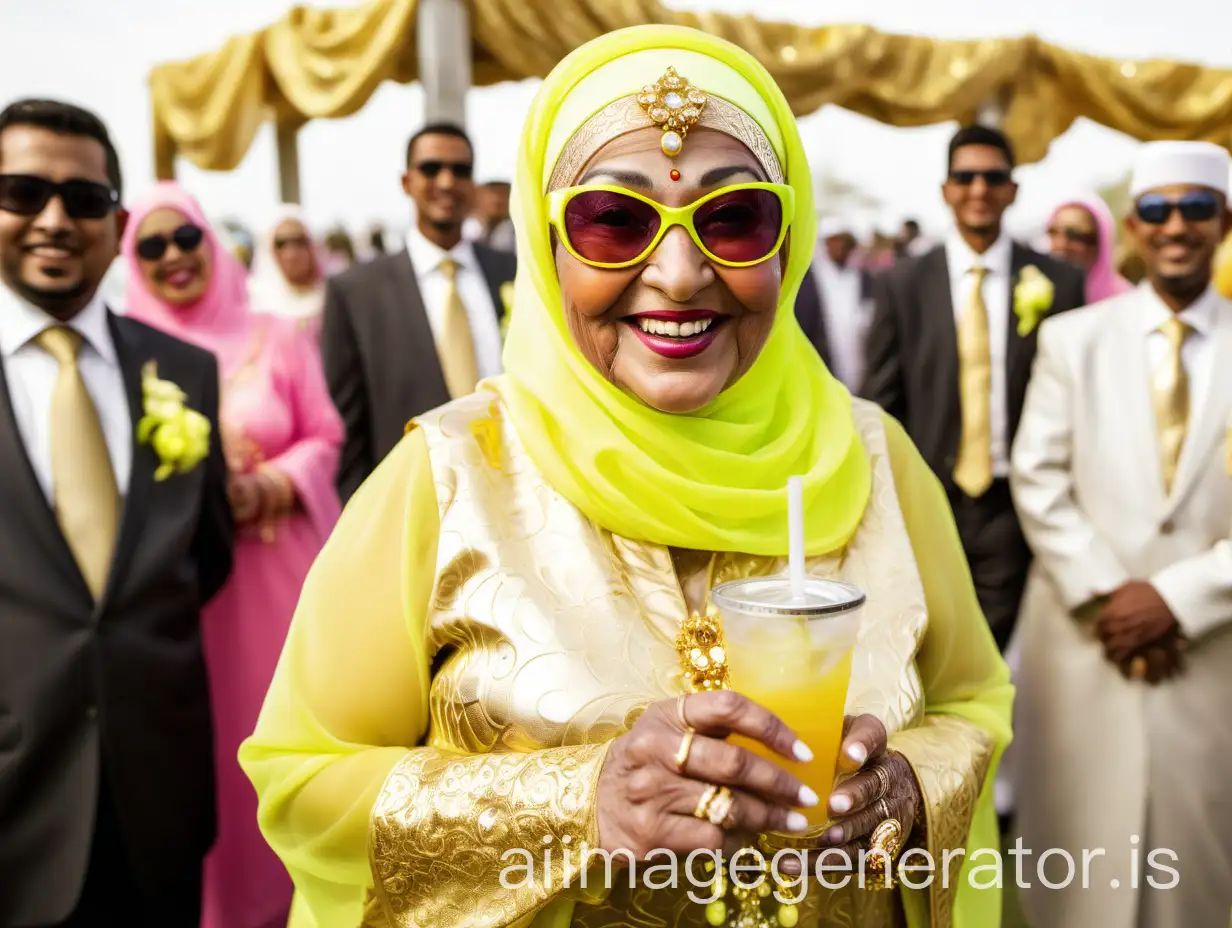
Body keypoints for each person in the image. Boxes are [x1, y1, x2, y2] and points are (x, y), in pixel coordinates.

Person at [241, 27, 1012, 928]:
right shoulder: (449, 477)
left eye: (734, 219)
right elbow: (303, 774)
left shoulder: (874, 459)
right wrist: (578, 801)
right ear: (545, 240)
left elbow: (972, 701)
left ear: (787, 240)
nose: (680, 275)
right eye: (614, 220)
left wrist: (910, 789)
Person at [0, 100, 232, 926]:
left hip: (157, 799)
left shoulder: (186, 373)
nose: (55, 220)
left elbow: (205, 558)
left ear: (119, 220)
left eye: (84, 199)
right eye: (22, 193)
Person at [1011, 141, 1232, 928]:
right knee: (1077, 859)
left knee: (1200, 872)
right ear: (1135, 227)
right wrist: (1114, 597)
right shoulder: (1075, 339)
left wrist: (1175, 598)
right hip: (1086, 640)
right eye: (1160, 210)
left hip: (1210, 651)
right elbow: (1037, 478)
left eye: (1197, 208)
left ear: (1224, 221)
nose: (1177, 226)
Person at [120, 182, 343, 928]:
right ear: (132, 260)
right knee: (212, 756)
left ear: (211, 243)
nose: (173, 257)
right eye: (151, 246)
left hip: (279, 576)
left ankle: (311, 899)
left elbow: (325, 433)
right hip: (193, 597)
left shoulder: (272, 335)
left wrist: (277, 481)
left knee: (294, 732)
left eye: (185, 238)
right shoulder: (126, 354)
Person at [861, 124, 1086, 651]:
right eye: (965, 177)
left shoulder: (1058, 281)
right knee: (931, 647)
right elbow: (881, 402)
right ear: (946, 190)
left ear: (1013, 189)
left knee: (993, 652)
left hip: (1018, 504)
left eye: (993, 177)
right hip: (930, 499)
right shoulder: (905, 283)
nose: (979, 189)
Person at [322, 123, 516, 501]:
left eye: (460, 171)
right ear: (406, 181)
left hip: (515, 492)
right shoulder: (356, 292)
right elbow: (348, 429)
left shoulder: (513, 272)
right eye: (431, 169)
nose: (446, 181)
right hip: (412, 502)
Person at [796, 216, 874, 391]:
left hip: (860, 370)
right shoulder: (809, 281)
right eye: (834, 240)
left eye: (844, 241)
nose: (839, 246)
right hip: (822, 372)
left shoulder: (863, 278)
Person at [248, 205, 327, 336]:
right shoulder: (255, 301)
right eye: (281, 244)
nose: (291, 253)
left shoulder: (332, 298)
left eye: (299, 241)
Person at [1045, 193, 1133, 302]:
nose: (1061, 244)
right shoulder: (1038, 293)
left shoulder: (1124, 300)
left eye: (1074, 235)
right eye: (1053, 232)